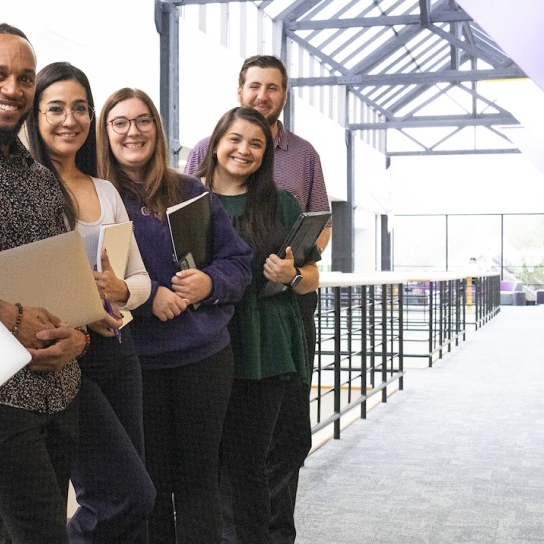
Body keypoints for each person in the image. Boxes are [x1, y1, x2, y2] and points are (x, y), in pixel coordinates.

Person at [0, 24, 88, 544]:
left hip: (60, 389)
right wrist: (10, 315)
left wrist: (78, 336)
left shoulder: (38, 174)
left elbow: (63, 276)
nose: (13, 89)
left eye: (25, 78)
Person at [186, 55, 331, 543]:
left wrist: (292, 276)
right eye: (235, 140)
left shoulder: (281, 202)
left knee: (248, 466)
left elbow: (312, 275)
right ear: (215, 144)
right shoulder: (188, 199)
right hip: (205, 345)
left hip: (264, 347)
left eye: (256, 144)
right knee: (202, 467)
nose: (243, 151)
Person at [97, 87, 253, 543]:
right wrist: (148, 297)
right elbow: (92, 276)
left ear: (157, 130)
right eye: (120, 122)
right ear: (105, 132)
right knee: (150, 484)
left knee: (199, 481)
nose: (133, 131)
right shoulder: (98, 197)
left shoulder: (190, 191)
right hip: (136, 362)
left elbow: (238, 263)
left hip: (203, 357)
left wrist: (209, 283)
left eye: (143, 120)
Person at [25, 61, 156, 543]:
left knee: (135, 508)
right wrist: (85, 310)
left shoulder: (105, 189)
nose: (70, 120)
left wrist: (122, 294)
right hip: (67, 359)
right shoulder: (27, 187)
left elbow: (139, 279)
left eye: (80, 108)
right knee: (126, 494)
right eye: (56, 109)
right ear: (36, 116)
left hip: (119, 353)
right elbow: (26, 284)